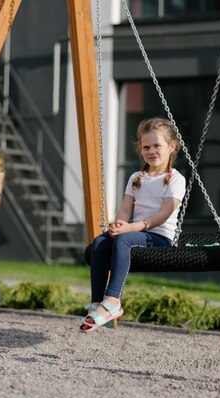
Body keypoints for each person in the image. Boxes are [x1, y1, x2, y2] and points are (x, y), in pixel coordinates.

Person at [80, 117, 186, 332]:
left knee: (124, 238)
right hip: (135, 233)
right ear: (140, 149)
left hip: (160, 237)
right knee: (100, 242)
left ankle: (113, 300)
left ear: (172, 147)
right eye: (146, 146)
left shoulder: (175, 179)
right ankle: (97, 302)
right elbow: (126, 208)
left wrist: (128, 229)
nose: (151, 151)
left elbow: (163, 215)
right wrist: (119, 224)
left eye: (157, 145)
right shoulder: (137, 177)